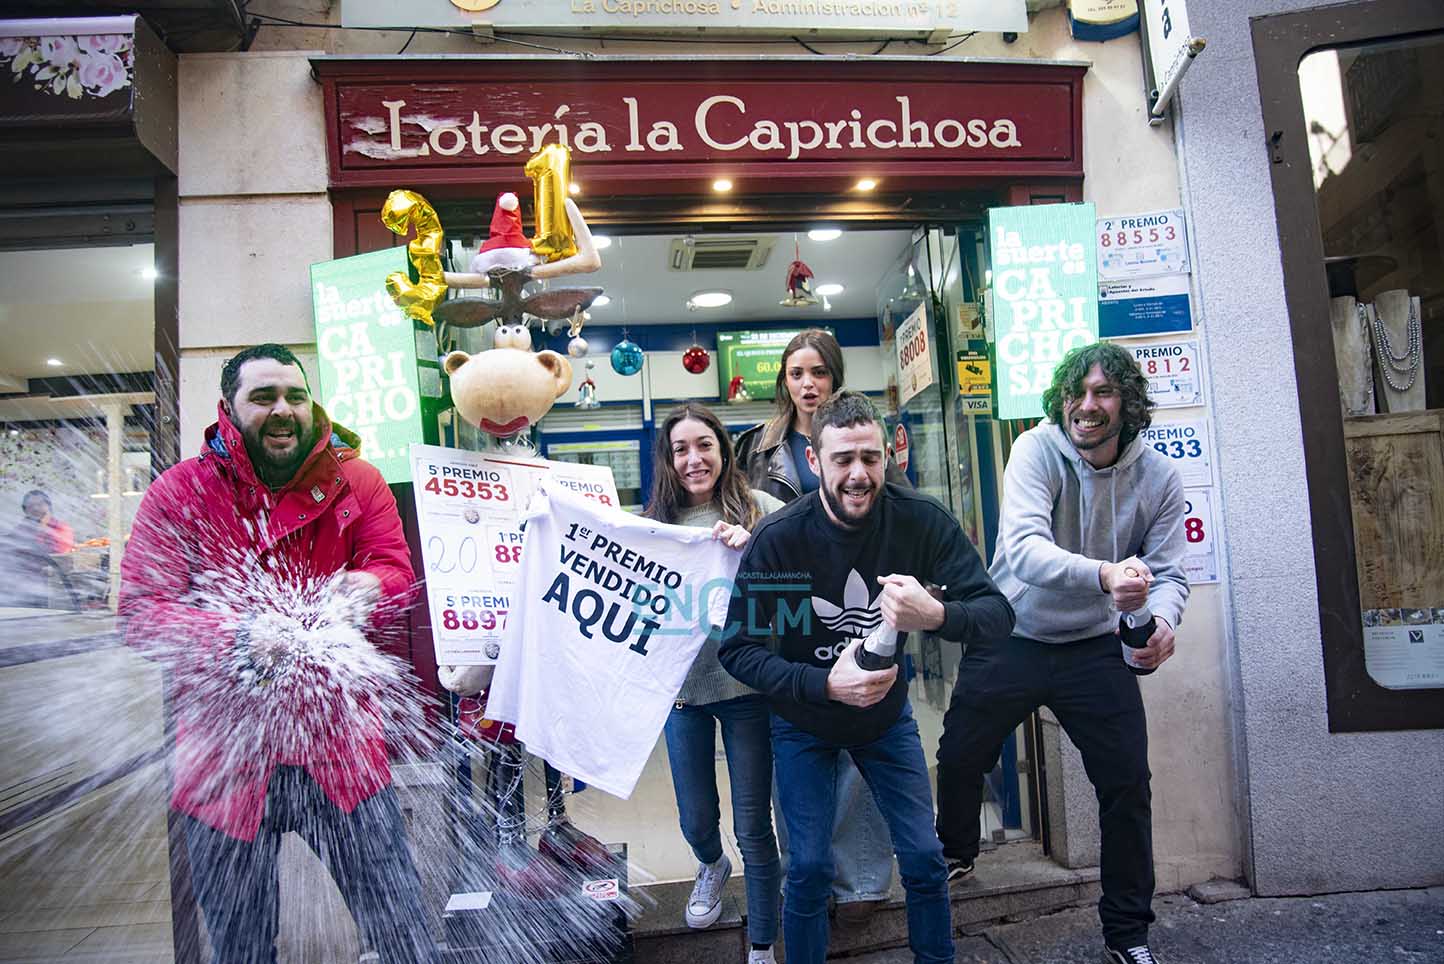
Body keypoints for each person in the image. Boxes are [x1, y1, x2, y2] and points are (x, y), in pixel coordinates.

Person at [118, 344, 438, 964]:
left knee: (404, 933)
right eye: (263, 398)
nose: (283, 409)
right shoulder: (178, 493)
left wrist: (371, 586)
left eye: (294, 395)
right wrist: (236, 637)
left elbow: (394, 569)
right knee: (243, 951)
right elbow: (140, 615)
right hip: (224, 762)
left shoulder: (359, 480)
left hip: (340, 746)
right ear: (229, 410)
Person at [720, 391, 1015, 964]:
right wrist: (825, 684)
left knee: (926, 859)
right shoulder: (785, 539)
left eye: (871, 458)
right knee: (806, 869)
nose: (859, 475)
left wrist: (937, 615)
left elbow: (997, 615)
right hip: (804, 722)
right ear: (814, 458)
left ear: (887, 455)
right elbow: (742, 650)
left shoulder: (916, 521)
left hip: (883, 721)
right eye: (843, 459)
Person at [934, 342, 1190, 964]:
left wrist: (1162, 623)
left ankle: (1128, 935)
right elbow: (1023, 550)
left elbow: (1172, 575)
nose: (1087, 406)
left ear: (1128, 403)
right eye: (1076, 393)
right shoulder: (1036, 450)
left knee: (1127, 784)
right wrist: (1106, 576)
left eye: (1103, 393)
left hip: (1093, 648)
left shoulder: (1158, 477)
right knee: (961, 753)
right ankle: (958, 851)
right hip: (1011, 631)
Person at [734, 328, 899, 919]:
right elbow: (740, 517)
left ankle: (860, 884)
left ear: (835, 377)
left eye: (819, 372)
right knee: (800, 753)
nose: (808, 383)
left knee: (860, 751)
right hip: (787, 612)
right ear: (784, 380)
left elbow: (895, 510)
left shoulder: (865, 434)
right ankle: (810, 878)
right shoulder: (756, 446)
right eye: (797, 373)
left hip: (859, 607)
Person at [644, 403, 785, 964]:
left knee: (754, 824)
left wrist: (753, 547)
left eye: (705, 445)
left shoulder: (761, 509)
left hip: (748, 692)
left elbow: (804, 570)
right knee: (696, 818)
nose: (694, 458)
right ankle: (710, 865)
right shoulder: (653, 524)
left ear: (724, 451)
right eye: (681, 449)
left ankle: (761, 943)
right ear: (668, 459)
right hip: (685, 696)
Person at [14, 489, 75, 555]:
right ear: (25, 510)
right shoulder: (22, 528)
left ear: (49, 506)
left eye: (40, 504)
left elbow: (59, 554)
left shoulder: (62, 528)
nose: (35, 508)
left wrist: (42, 529)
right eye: (30, 505)